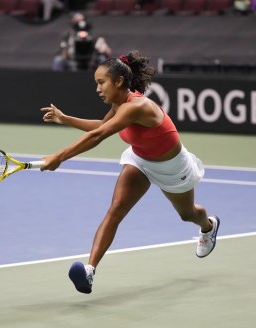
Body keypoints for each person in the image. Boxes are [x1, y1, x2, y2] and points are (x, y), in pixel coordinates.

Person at [40, 50, 220, 294]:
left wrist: (59, 156)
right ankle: (89, 271)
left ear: (119, 81)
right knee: (116, 209)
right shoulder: (118, 105)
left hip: (173, 168)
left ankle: (208, 226)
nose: (98, 89)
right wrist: (65, 119)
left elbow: (98, 136)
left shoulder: (137, 106)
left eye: (101, 82)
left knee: (187, 215)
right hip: (140, 161)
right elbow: (102, 126)